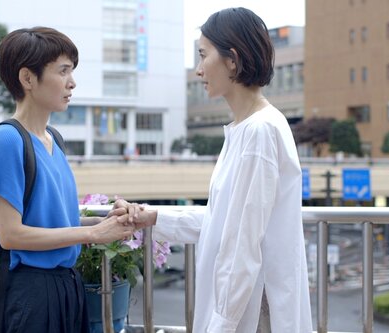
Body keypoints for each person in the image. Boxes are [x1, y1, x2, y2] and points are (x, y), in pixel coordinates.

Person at [116, 8, 312, 333]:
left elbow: (242, 244)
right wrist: (154, 218)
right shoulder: (247, 128)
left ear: (232, 60)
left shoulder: (257, 132)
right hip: (247, 311)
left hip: (252, 316)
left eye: (203, 55)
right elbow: (223, 223)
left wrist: (220, 324)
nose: (198, 70)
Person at [0, 27, 134, 333]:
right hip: (31, 291)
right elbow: (10, 234)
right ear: (28, 79)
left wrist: (109, 224)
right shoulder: (8, 139)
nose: (72, 82)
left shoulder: (54, 139)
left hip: (66, 285)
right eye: (63, 71)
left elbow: (55, 222)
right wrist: (91, 235)